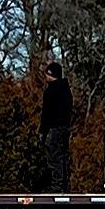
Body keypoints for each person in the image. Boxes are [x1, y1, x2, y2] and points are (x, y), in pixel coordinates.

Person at [41, 61, 72, 192]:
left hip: (53, 129)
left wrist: (43, 130)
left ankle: (57, 187)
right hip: (64, 128)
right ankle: (63, 185)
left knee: (54, 159)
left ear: (51, 75)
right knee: (62, 157)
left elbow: (46, 113)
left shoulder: (51, 91)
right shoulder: (66, 90)